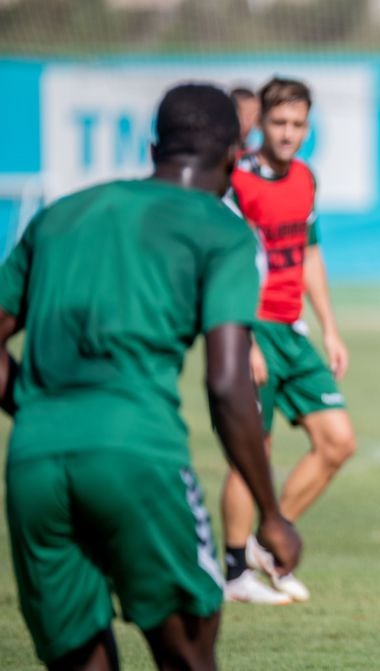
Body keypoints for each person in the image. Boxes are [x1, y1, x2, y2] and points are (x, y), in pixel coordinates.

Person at [0, 83, 301, 671]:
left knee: (78, 659)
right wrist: (270, 511)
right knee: (189, 648)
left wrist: (37, 409)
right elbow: (227, 382)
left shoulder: (61, 214)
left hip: (32, 460)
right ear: (235, 156)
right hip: (137, 451)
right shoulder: (221, 230)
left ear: (152, 146)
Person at [220, 76, 356, 605]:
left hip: (294, 332)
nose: (288, 133)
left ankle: (264, 543)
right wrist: (243, 338)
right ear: (262, 122)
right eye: (278, 122)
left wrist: (330, 328)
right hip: (251, 331)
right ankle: (234, 574)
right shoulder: (236, 183)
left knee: (338, 441)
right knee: (253, 451)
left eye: (298, 124)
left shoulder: (304, 178)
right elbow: (225, 265)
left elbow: (310, 256)